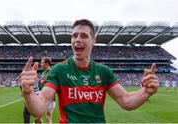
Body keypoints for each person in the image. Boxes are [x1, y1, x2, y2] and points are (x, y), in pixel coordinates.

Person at [20, 19, 159, 123]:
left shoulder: (104, 71)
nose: (77, 40)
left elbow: (127, 101)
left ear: (94, 41)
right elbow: (39, 108)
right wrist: (28, 93)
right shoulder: (59, 70)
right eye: (74, 36)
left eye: (84, 36)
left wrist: (146, 91)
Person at [37, 57, 55, 123]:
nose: (41, 64)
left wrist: (43, 81)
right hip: (41, 96)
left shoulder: (51, 72)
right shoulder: (43, 73)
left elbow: (51, 82)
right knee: (38, 117)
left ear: (47, 64)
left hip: (48, 97)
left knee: (48, 115)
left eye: (42, 62)